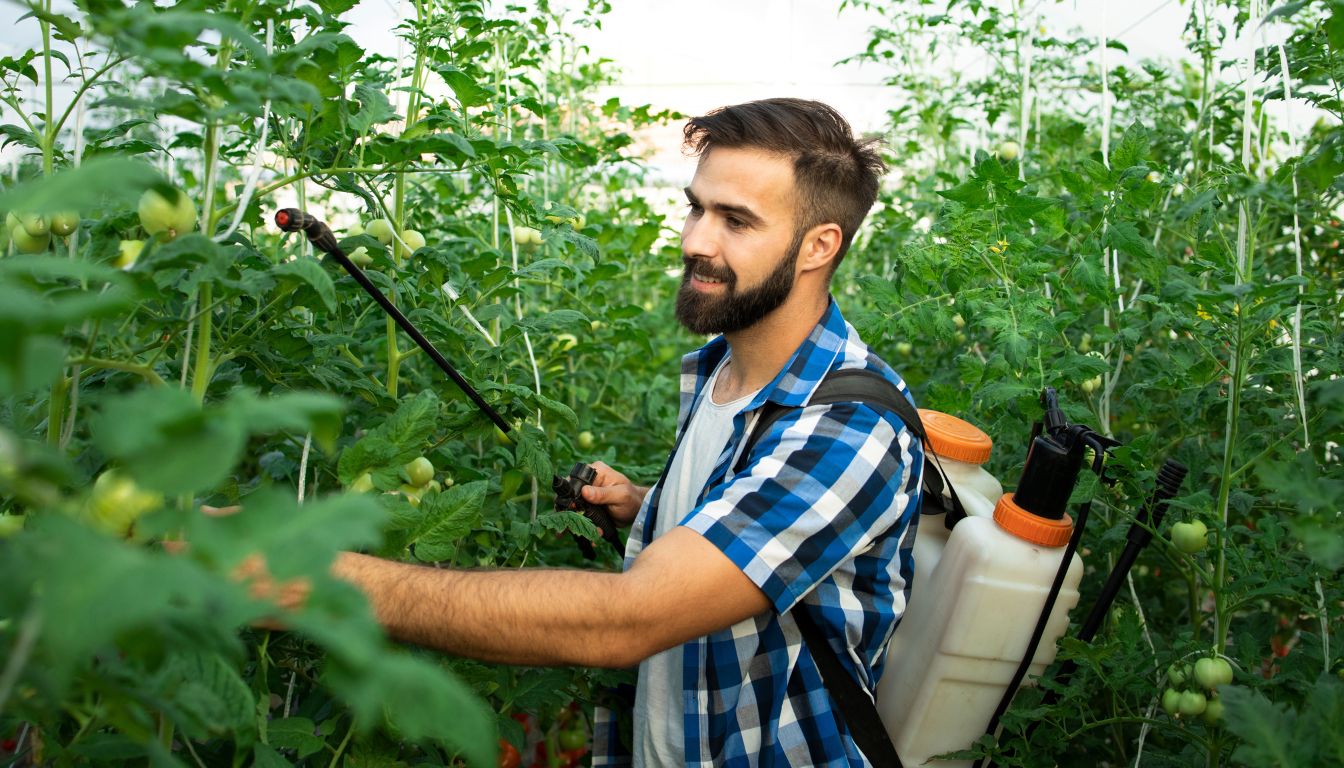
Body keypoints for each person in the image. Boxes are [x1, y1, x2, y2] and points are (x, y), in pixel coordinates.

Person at [333, 98, 924, 767]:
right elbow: (755, 526)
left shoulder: (849, 427)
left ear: (819, 245)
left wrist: (317, 582)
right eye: (696, 207)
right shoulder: (724, 370)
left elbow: (625, 620)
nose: (696, 240)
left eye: (736, 220)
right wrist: (648, 507)